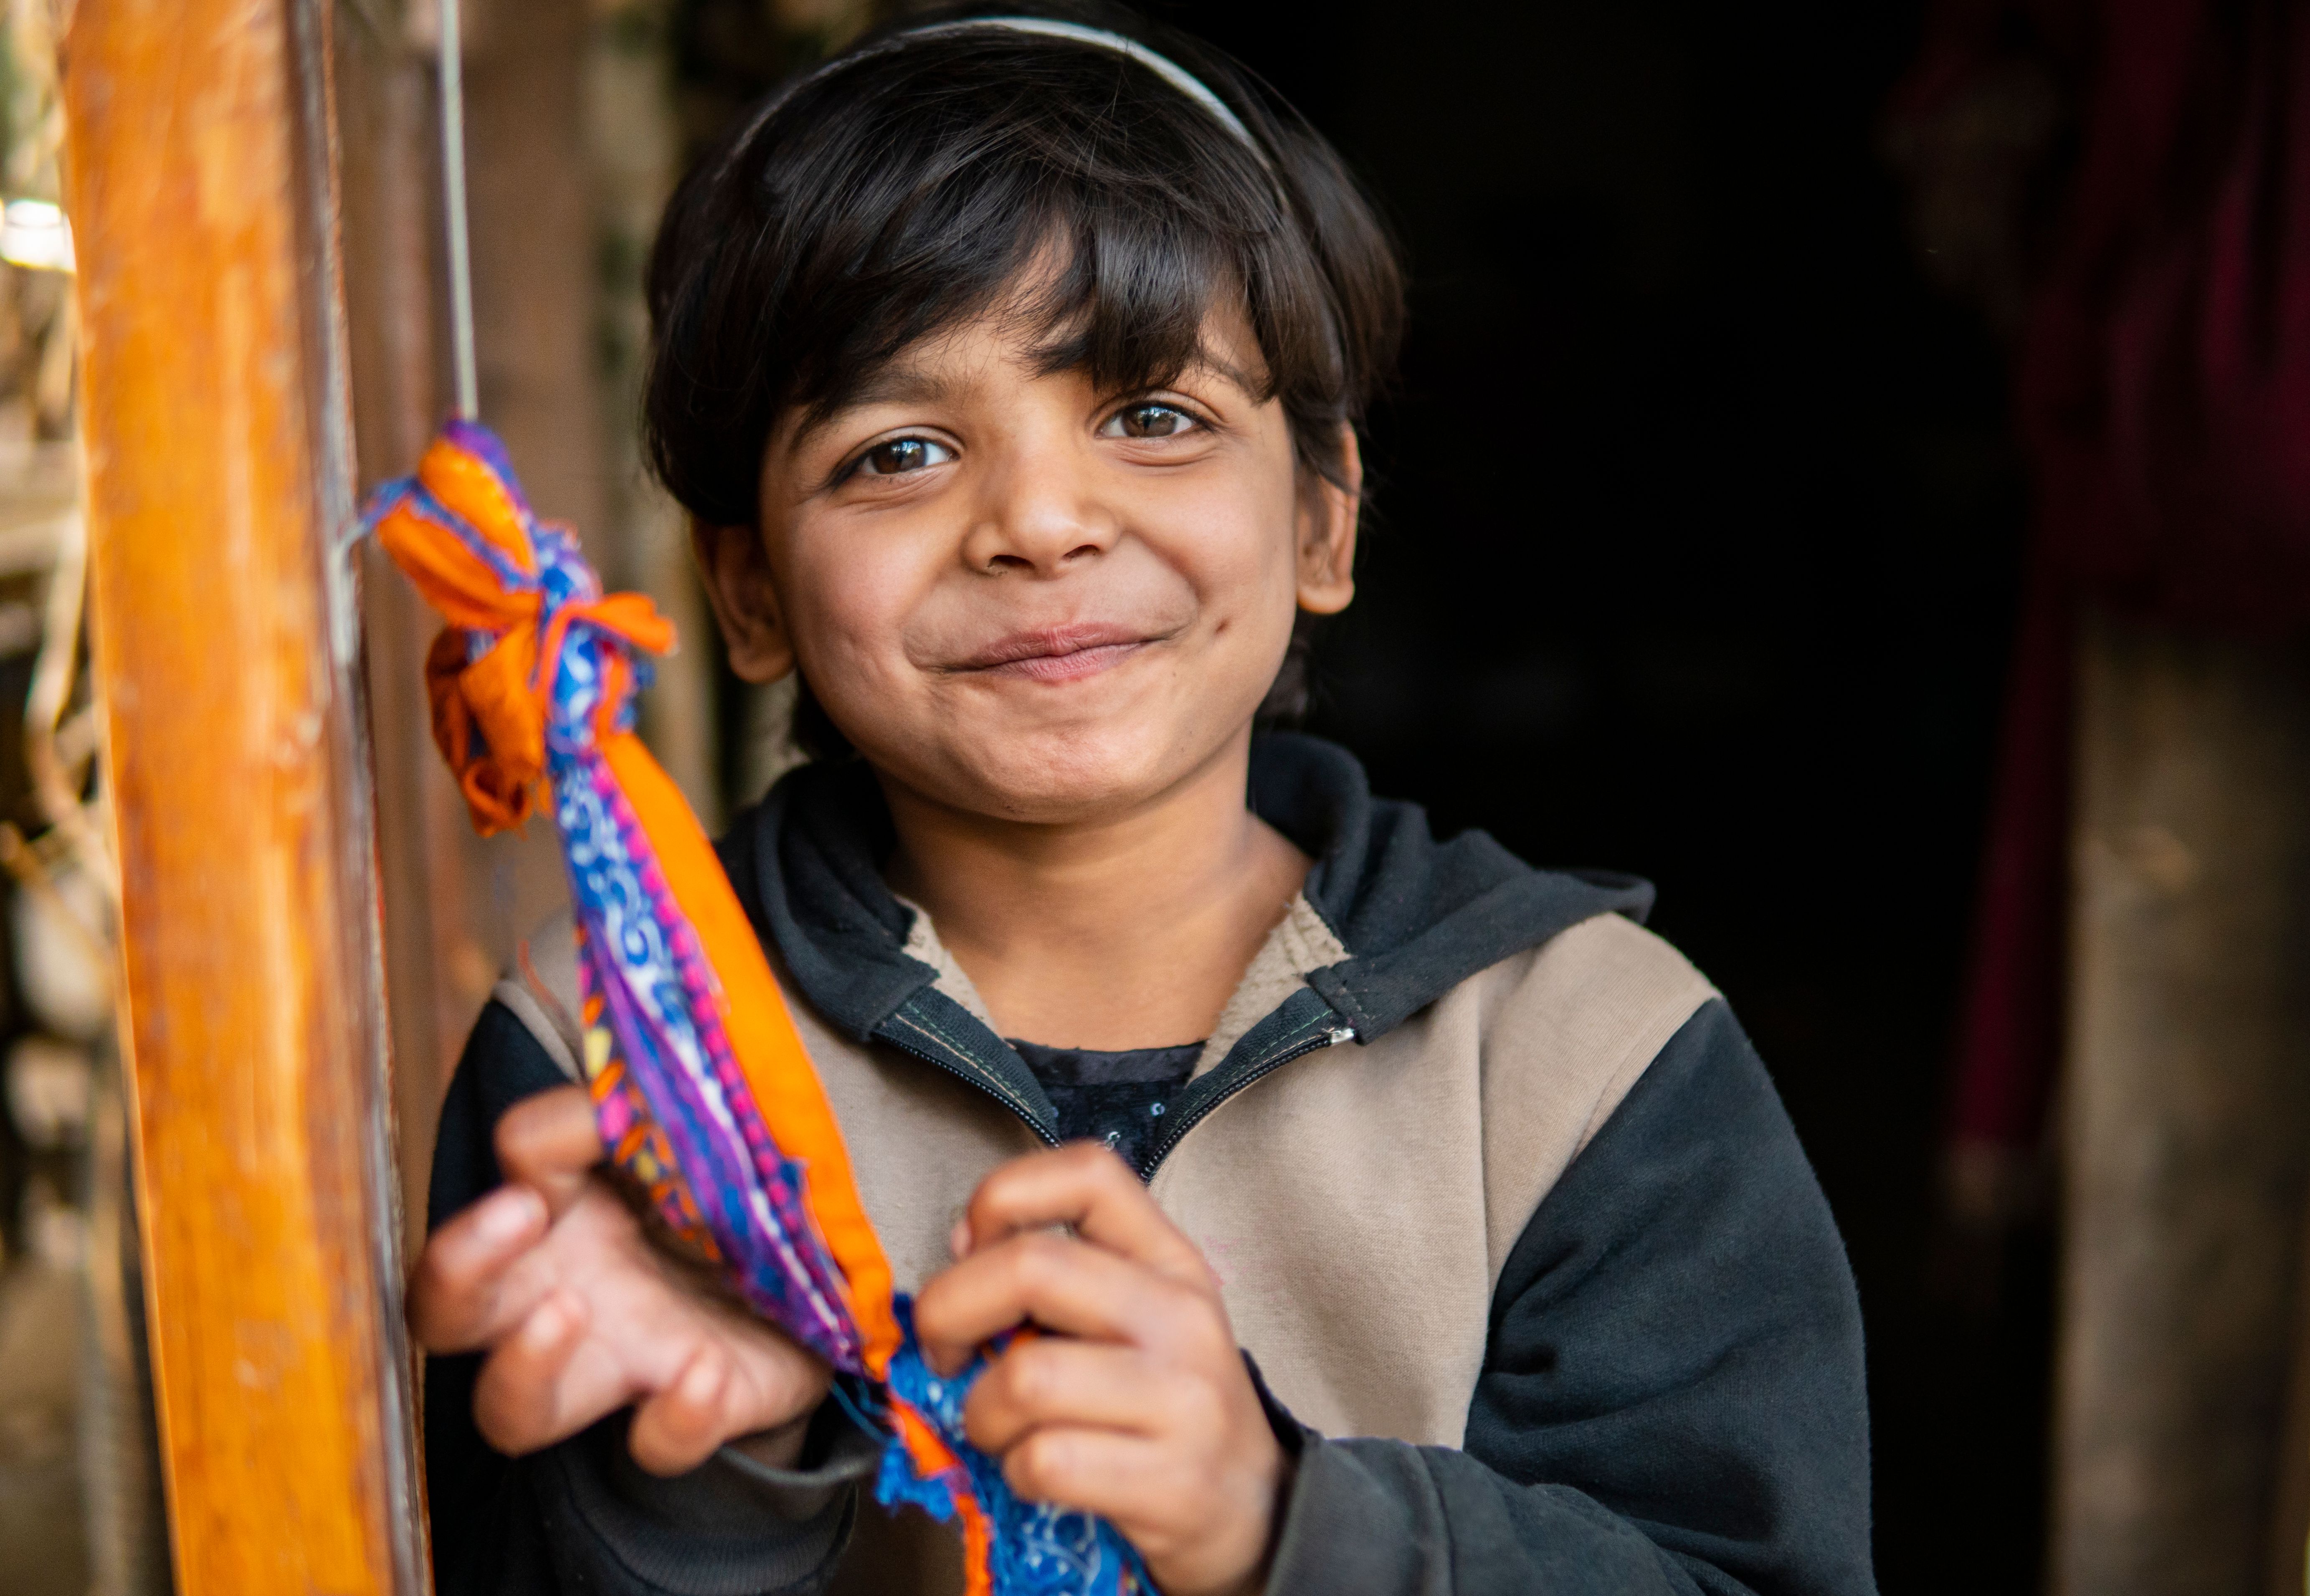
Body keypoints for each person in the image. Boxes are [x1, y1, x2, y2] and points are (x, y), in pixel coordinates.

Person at [408, 6, 1876, 1594]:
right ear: (747, 592)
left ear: (1324, 518)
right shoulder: (610, 1062)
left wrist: (1281, 1522)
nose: (1039, 521)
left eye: (1153, 417)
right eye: (898, 451)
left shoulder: (1577, 1060)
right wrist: (717, 1479)